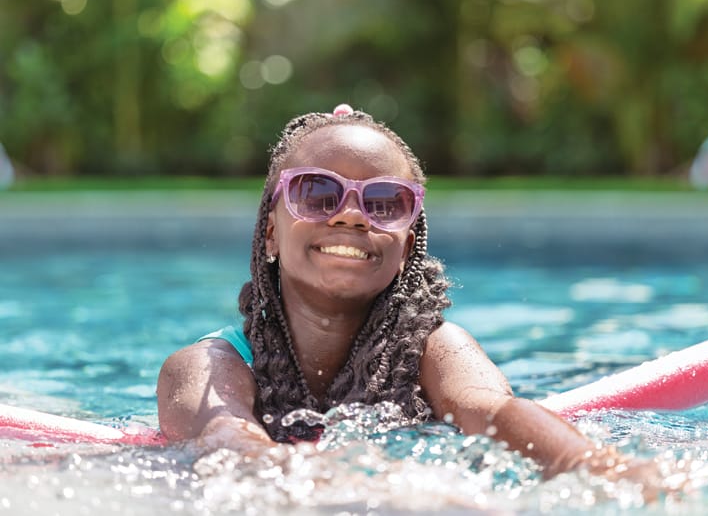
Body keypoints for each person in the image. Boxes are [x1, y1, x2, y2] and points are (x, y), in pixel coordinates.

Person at [157, 104, 666, 487]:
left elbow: (492, 412)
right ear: (270, 233)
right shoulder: (206, 367)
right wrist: (344, 484)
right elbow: (225, 442)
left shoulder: (434, 349)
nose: (352, 215)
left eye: (383, 202)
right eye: (316, 193)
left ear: (406, 247)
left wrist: (597, 466)